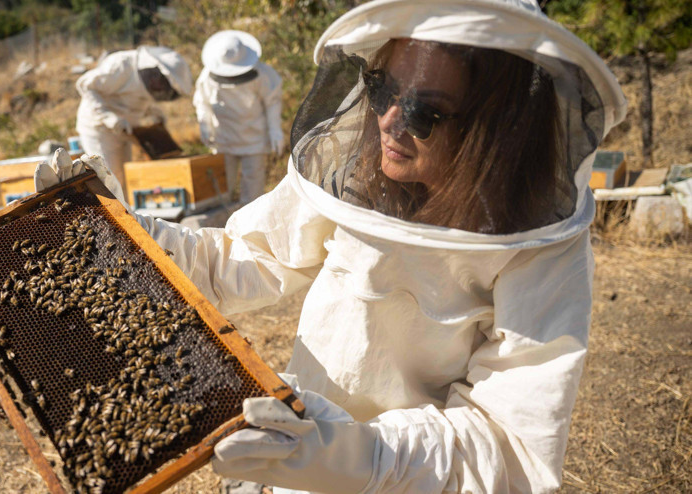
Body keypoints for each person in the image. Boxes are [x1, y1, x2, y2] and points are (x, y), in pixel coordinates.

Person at [36, 0, 627, 491]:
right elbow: (244, 258)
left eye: (425, 111)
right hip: (292, 450)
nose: (389, 121)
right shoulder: (355, 176)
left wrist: (357, 456)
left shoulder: (540, 248)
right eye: (381, 88)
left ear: (496, 128)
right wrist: (116, 232)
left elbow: (508, 447)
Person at [74, 46, 192, 187]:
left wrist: (153, 112)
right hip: (98, 129)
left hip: (125, 128)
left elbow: (134, 99)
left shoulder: (148, 82)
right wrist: (107, 117)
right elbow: (85, 85)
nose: (161, 88)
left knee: (124, 180)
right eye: (163, 83)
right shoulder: (121, 65)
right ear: (155, 73)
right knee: (109, 180)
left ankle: (125, 209)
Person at [193, 30, 284, 205]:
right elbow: (201, 102)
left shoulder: (263, 74)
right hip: (224, 139)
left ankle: (250, 230)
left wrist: (275, 130)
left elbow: (272, 101)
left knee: (253, 196)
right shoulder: (207, 76)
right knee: (221, 191)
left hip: (254, 140)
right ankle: (221, 226)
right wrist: (205, 126)